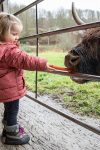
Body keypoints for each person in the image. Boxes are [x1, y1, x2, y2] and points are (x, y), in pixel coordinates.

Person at [0, 12, 56, 145]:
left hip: (4, 87)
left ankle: (8, 126)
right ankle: (11, 134)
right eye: (14, 34)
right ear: (1, 32)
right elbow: (25, 60)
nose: (17, 37)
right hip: (11, 89)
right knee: (13, 109)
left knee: (9, 108)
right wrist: (42, 64)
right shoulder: (9, 50)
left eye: (18, 34)